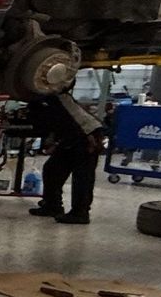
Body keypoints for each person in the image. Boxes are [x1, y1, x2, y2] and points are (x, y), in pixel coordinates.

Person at [28, 92, 105, 225]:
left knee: (82, 175)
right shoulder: (43, 99)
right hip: (70, 136)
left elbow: (70, 120)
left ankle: (80, 213)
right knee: (51, 169)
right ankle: (52, 206)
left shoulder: (54, 95)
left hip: (87, 133)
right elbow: (56, 123)